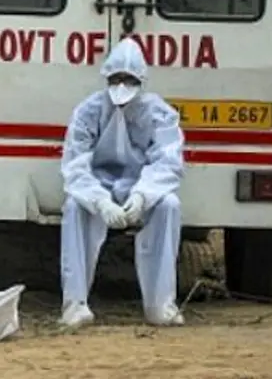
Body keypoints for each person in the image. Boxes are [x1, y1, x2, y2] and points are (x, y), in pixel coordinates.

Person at [58, 37, 186, 328]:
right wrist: (99, 201)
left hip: (139, 187)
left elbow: (168, 161)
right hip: (99, 186)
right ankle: (74, 304)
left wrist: (143, 195)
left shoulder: (159, 113)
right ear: (106, 77)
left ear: (141, 80)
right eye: (116, 78)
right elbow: (75, 165)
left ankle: (160, 304)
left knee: (169, 205)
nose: (122, 85)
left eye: (129, 79)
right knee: (74, 208)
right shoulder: (88, 111)